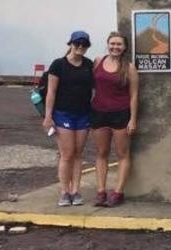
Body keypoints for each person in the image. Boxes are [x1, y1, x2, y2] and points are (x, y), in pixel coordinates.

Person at [42, 31, 94, 207]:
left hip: (83, 114)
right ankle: (64, 192)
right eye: (77, 43)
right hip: (63, 113)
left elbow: (94, 91)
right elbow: (51, 92)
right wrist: (48, 116)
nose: (80, 47)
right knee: (67, 154)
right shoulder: (58, 65)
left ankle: (75, 191)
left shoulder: (89, 65)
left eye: (84, 44)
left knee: (79, 154)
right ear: (71, 43)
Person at [91, 31, 139, 207]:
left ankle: (118, 192)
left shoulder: (130, 68)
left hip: (121, 114)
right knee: (102, 153)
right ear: (107, 44)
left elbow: (134, 96)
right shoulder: (98, 62)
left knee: (122, 154)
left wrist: (132, 119)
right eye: (112, 44)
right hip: (98, 113)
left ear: (124, 47)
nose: (115, 47)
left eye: (119, 44)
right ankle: (101, 191)